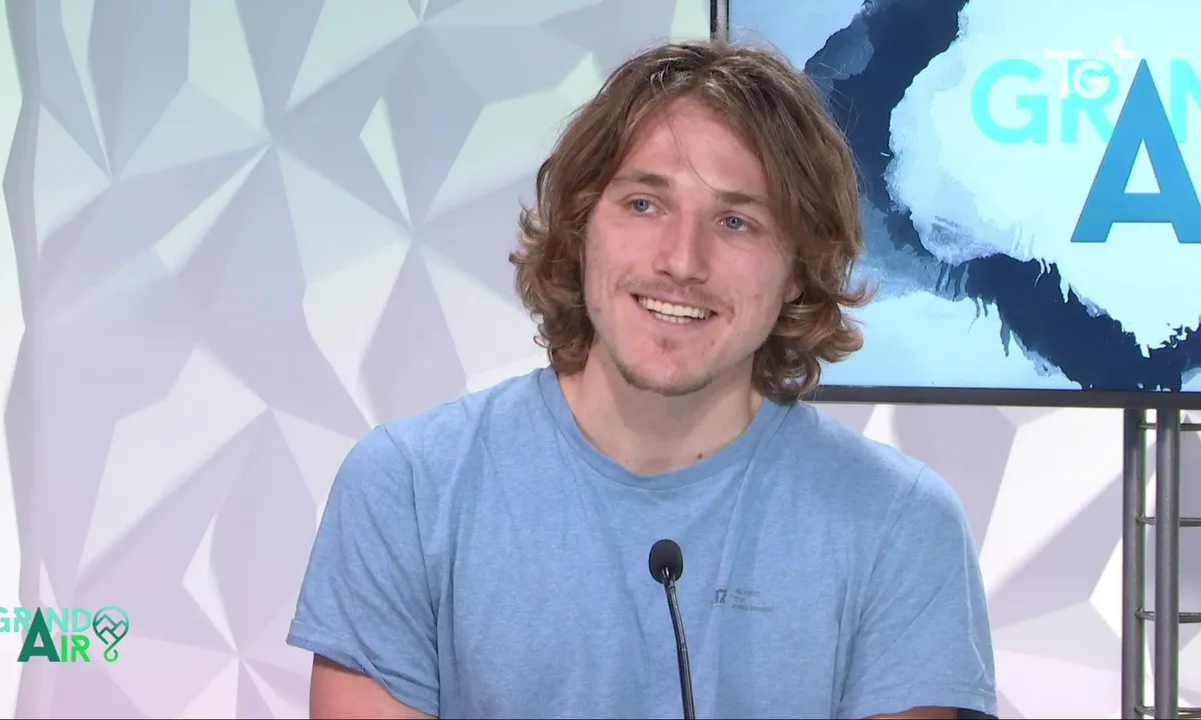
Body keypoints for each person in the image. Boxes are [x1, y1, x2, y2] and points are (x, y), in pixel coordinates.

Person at [286, 38, 998, 720]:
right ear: (580, 227)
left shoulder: (899, 524)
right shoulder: (410, 489)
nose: (682, 261)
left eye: (736, 221)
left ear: (797, 270)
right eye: (644, 205)